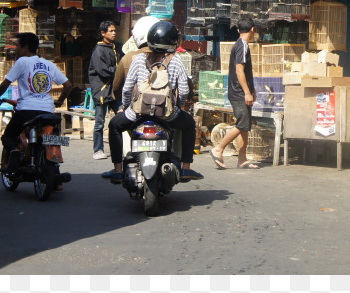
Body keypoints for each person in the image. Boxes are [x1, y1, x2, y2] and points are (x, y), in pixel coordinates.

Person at [104, 21, 203, 183]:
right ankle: (186, 168)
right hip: (167, 115)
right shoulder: (176, 61)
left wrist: (127, 106)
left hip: (137, 113)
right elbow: (184, 91)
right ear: (173, 42)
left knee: (114, 125)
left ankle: (117, 170)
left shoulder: (138, 59)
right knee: (189, 124)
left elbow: (127, 89)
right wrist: (177, 107)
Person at [0, 32, 72, 174]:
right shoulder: (49, 64)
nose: (16, 49)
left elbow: (4, 85)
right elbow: (68, 85)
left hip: (26, 111)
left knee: (7, 136)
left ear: (25, 47)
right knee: (51, 139)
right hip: (47, 111)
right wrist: (59, 101)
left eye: (17, 46)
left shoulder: (22, 62)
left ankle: (15, 151)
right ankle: (57, 179)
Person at [209, 17, 258, 169]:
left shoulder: (239, 44)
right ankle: (218, 148)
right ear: (252, 30)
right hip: (238, 92)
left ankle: (242, 159)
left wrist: (251, 90)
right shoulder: (242, 46)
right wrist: (247, 92)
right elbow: (239, 70)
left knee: (245, 125)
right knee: (242, 124)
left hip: (240, 91)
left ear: (238, 30)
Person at [88, 20, 123, 160]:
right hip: (102, 90)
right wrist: (119, 70)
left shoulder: (117, 47)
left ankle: (123, 148)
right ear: (103, 33)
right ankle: (98, 150)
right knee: (99, 123)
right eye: (111, 31)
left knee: (122, 118)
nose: (114, 33)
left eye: (115, 31)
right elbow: (103, 71)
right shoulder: (98, 50)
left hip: (114, 90)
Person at [111, 16, 159, 102]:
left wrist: (125, 106)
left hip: (135, 110)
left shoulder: (128, 58)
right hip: (167, 111)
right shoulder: (173, 58)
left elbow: (118, 88)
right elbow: (185, 90)